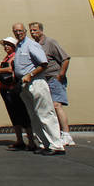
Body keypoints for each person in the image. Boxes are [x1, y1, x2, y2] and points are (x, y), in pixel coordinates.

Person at [11, 22, 64, 155]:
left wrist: (31, 74)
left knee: (45, 113)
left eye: (20, 31)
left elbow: (43, 63)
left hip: (36, 82)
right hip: (24, 84)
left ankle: (56, 145)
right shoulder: (19, 46)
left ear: (25, 31)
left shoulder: (31, 45)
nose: (18, 33)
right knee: (34, 115)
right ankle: (44, 143)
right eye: (15, 31)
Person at [29, 22, 72, 147]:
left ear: (41, 30)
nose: (33, 33)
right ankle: (55, 134)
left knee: (57, 105)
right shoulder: (34, 45)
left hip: (54, 78)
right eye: (31, 31)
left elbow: (65, 58)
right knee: (48, 108)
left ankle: (66, 135)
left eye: (35, 30)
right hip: (43, 80)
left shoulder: (50, 42)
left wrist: (61, 74)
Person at [0, 36, 34, 150]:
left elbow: (14, 69)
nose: (6, 47)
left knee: (22, 113)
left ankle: (31, 141)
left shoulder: (16, 56)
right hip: (5, 88)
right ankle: (19, 140)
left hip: (13, 88)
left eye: (9, 44)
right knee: (13, 114)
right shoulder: (7, 57)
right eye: (5, 44)